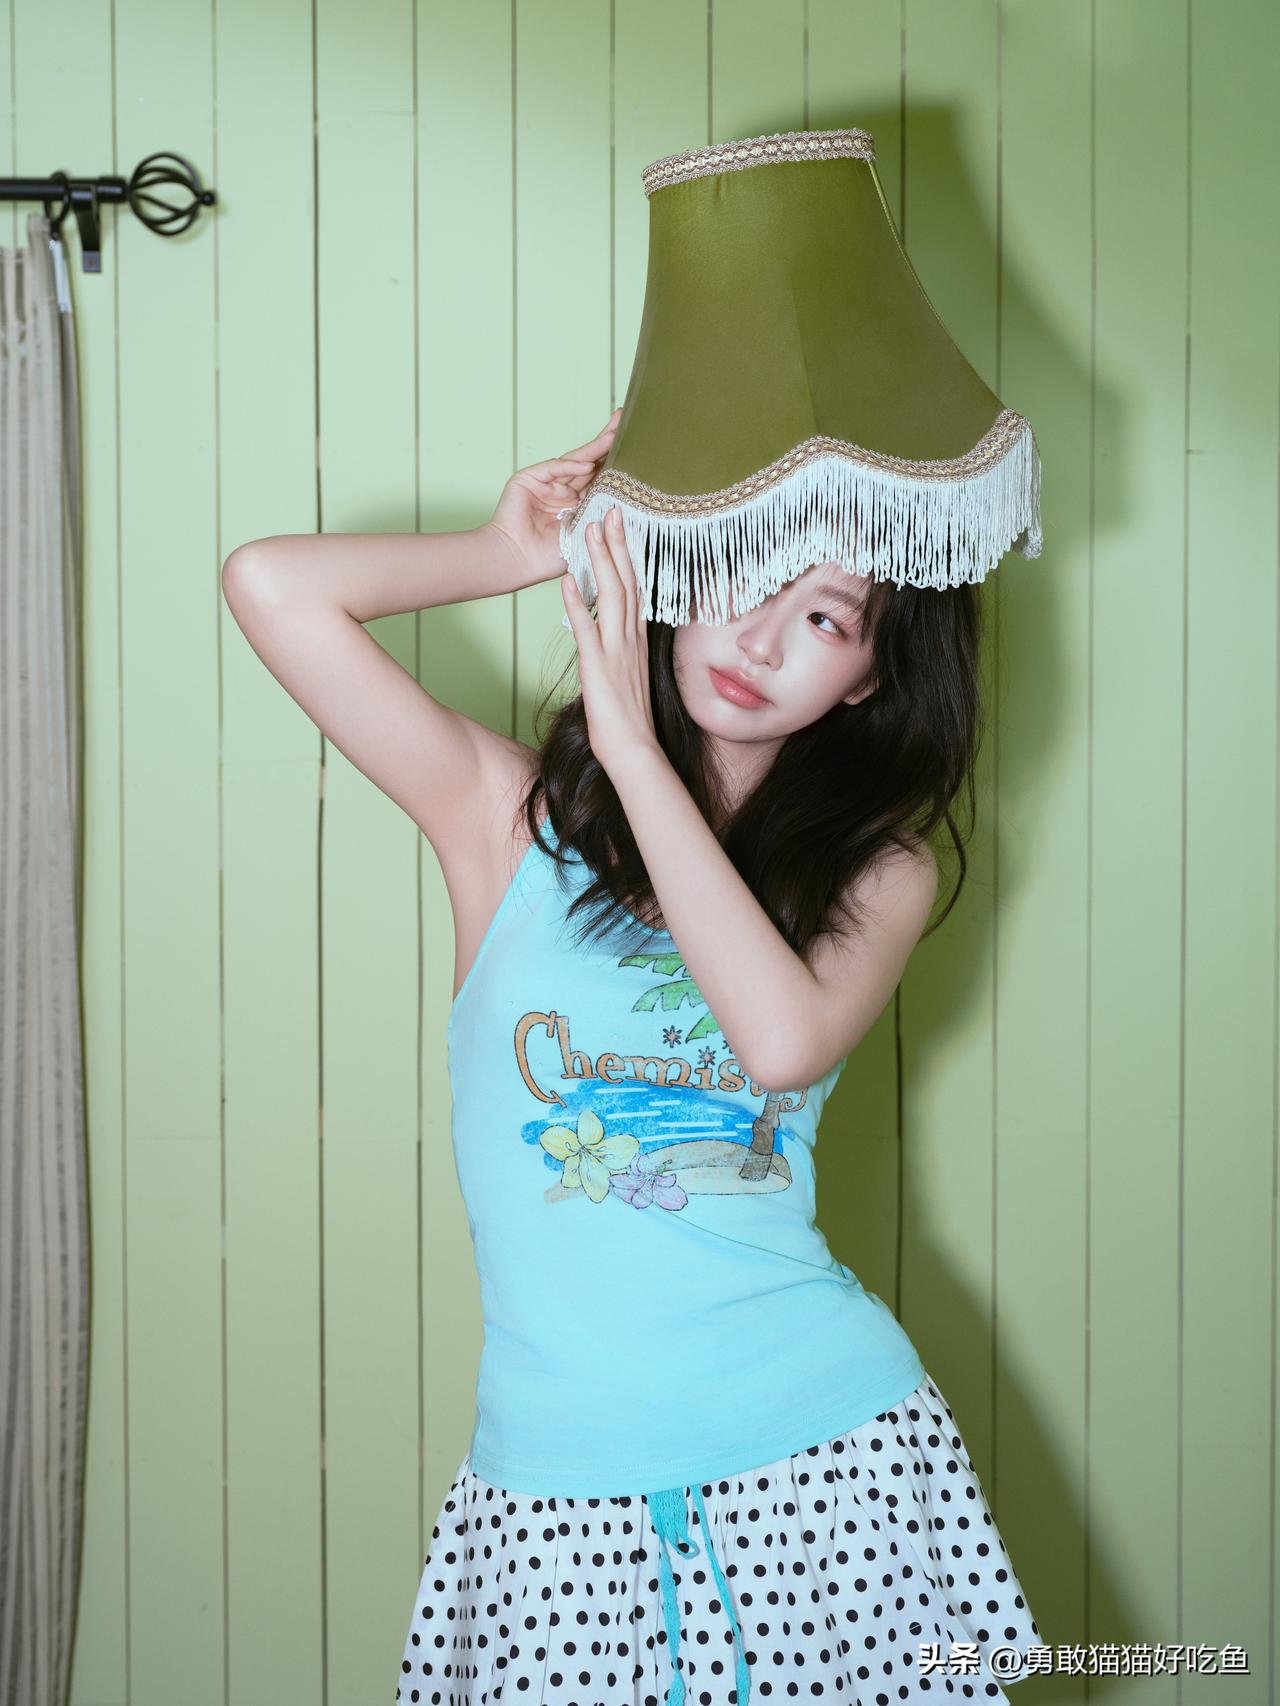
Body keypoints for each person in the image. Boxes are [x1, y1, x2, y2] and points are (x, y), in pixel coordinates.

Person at [221, 407, 1043, 1706]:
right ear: (679, 573)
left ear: (870, 675)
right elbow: (270, 586)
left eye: (825, 617)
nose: (760, 639)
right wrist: (506, 550)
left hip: (818, 1455)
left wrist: (631, 747)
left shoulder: (877, 871)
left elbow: (779, 1042)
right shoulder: (507, 824)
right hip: (554, 1483)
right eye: (741, 578)